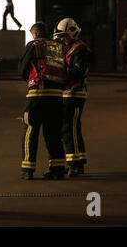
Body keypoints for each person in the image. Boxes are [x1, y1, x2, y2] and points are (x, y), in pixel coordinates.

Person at [18, 22, 67, 180]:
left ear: (35, 33)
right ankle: (58, 168)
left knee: (31, 131)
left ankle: (28, 168)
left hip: (37, 94)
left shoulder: (34, 45)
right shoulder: (59, 47)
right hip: (57, 96)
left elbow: (22, 68)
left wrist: (30, 81)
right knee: (53, 133)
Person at [54, 18, 91, 177]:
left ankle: (75, 165)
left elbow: (78, 71)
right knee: (69, 128)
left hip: (75, 93)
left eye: (64, 36)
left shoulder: (80, 49)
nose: (62, 39)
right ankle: (76, 162)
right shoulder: (70, 48)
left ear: (72, 32)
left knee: (71, 128)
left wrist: (58, 75)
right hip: (68, 93)